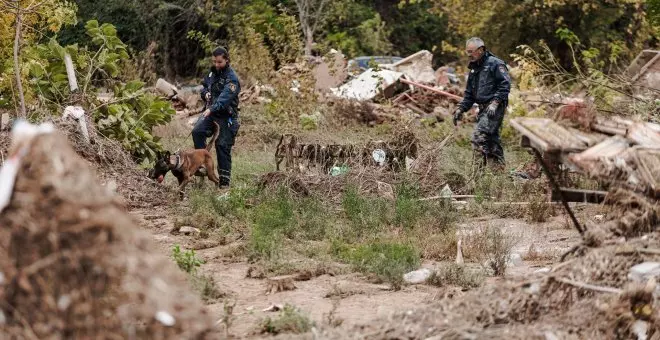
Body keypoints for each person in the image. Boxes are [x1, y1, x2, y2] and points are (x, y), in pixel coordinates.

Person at [453, 37, 511, 169]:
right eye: (467, 51)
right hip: (483, 108)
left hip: (495, 108)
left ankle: (476, 175)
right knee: (491, 141)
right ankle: (500, 172)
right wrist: (460, 109)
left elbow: (505, 84)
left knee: (478, 137)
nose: (469, 55)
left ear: (481, 50)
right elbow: (469, 94)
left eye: (471, 51)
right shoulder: (474, 69)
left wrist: (495, 102)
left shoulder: (495, 64)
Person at [192, 47, 241, 188]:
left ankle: (224, 184)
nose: (217, 64)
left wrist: (211, 108)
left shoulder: (232, 78)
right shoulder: (212, 72)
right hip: (211, 113)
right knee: (197, 131)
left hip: (227, 117)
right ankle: (201, 163)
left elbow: (225, 98)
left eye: (219, 62)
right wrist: (206, 93)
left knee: (222, 146)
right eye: (214, 61)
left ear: (226, 59)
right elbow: (205, 86)